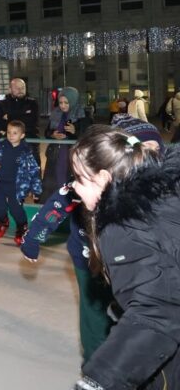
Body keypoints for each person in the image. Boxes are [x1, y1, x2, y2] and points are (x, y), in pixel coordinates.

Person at [23, 119, 165, 365]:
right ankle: (95, 363)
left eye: (154, 149)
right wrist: (33, 240)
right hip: (89, 259)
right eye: (142, 149)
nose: (148, 156)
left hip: (134, 264)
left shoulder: (160, 184)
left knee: (134, 315)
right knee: (95, 313)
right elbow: (56, 205)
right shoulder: (90, 182)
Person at [62, 128, 179, 390]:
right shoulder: (163, 196)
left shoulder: (124, 229)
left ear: (104, 178)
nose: (73, 187)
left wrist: (100, 381)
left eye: (79, 178)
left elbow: (158, 311)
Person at [0, 120, 41, 243]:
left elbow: (34, 170)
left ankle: (22, 226)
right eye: (9, 132)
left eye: (15, 133)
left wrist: (36, 189)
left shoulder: (26, 151)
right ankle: (3, 221)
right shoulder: (0, 146)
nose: (11, 135)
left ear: (22, 135)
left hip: (17, 187)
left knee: (15, 209)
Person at [39, 87, 92, 203]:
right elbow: (47, 132)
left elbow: (88, 135)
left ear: (73, 101)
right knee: (53, 180)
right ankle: (52, 204)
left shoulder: (83, 115)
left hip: (72, 155)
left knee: (68, 180)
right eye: (61, 102)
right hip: (55, 154)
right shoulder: (56, 113)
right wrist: (53, 134)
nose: (63, 106)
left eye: (66, 102)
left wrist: (75, 131)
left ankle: (68, 204)